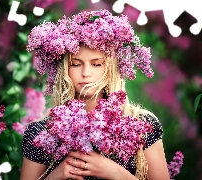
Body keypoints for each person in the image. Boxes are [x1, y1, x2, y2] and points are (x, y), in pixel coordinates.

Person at [20, 9, 170, 180]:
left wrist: (116, 173)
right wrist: (54, 176)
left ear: (111, 68)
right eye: (76, 64)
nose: (86, 73)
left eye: (96, 64)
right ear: (64, 69)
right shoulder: (41, 133)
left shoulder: (141, 125)